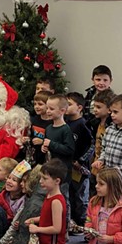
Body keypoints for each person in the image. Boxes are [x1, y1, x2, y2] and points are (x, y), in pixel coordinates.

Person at [15, 159, 78, 244]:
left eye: (44, 178)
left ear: (57, 181)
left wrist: (37, 229)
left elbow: (56, 228)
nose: (40, 181)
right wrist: (34, 219)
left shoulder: (56, 201)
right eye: (41, 178)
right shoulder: (49, 194)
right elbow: (47, 217)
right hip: (41, 243)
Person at [91, 94, 122, 185]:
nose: (112, 115)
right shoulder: (109, 129)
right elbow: (104, 149)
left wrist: (119, 169)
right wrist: (101, 160)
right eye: (111, 112)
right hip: (107, 178)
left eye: (115, 112)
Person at [41, 94, 75, 224]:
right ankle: (53, 223)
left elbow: (69, 150)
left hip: (63, 172)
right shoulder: (49, 128)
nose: (48, 111)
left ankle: (65, 226)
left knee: (63, 199)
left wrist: (51, 144)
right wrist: (45, 148)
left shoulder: (66, 130)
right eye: (47, 108)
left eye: (51, 108)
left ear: (62, 111)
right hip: (51, 170)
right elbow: (50, 146)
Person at [66, 92, 93, 228]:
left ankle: (82, 223)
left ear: (80, 107)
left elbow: (91, 145)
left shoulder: (83, 124)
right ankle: (72, 222)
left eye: (69, 104)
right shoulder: (65, 123)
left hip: (80, 169)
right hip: (68, 166)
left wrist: (81, 161)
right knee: (69, 194)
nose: (66, 107)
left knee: (81, 196)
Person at [0, 160, 31, 241]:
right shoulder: (2, 196)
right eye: (9, 178)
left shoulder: (24, 200)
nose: (9, 181)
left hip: (14, 230)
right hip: (1, 227)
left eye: (14, 180)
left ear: (21, 185)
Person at [87, 89, 114, 197]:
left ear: (109, 109)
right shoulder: (94, 123)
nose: (95, 110)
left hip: (105, 170)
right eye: (94, 107)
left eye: (98, 107)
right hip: (94, 167)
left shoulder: (112, 126)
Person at [28, 90, 53, 166]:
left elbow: (55, 142)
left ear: (48, 106)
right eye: (35, 104)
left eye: (40, 104)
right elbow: (31, 135)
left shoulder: (52, 123)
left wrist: (42, 142)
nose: (36, 107)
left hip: (46, 159)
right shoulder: (34, 120)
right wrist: (27, 139)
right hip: (34, 157)